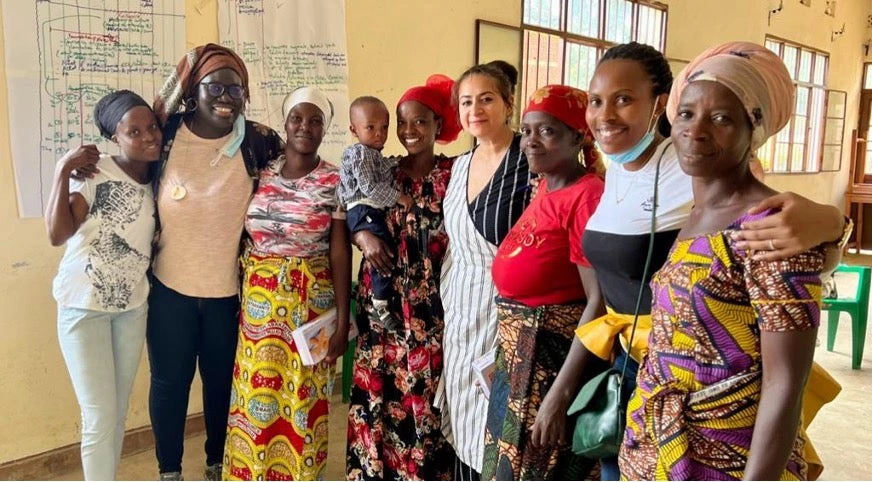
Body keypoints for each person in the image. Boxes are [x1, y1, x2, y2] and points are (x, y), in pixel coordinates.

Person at [576, 42, 848, 480]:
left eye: (721, 118)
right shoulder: (696, 215)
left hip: (724, 460)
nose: (696, 130)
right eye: (686, 114)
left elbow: (785, 383)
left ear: (753, 128)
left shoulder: (769, 227)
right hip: (656, 449)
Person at [149, 44, 284, 481]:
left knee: (222, 387)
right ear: (193, 89)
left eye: (236, 88)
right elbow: (137, 131)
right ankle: (169, 470)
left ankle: (216, 463)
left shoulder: (259, 141)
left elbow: (296, 180)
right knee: (169, 387)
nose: (226, 96)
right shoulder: (165, 134)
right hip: (170, 292)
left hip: (230, 296)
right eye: (215, 86)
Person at [221, 86, 351, 480]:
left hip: (310, 304)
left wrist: (344, 323)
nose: (305, 127)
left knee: (303, 397)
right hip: (259, 305)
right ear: (285, 122)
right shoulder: (262, 172)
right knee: (254, 393)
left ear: (324, 128)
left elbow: (340, 252)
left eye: (315, 121)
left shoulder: (335, 179)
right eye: (298, 118)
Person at [481, 85, 604, 480]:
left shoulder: (586, 196)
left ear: (577, 137)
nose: (531, 141)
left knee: (538, 469)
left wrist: (560, 395)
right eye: (527, 130)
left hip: (548, 367)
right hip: (519, 362)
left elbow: (598, 301)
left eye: (547, 131)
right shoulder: (548, 186)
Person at [346, 74, 461, 481]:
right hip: (383, 303)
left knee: (425, 395)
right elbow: (351, 204)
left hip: (431, 307)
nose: (410, 132)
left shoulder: (455, 175)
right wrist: (361, 234)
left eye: (421, 122)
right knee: (379, 389)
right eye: (403, 123)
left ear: (438, 127)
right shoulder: (384, 171)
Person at [46, 90, 161, 480]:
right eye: (134, 131)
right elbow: (58, 233)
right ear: (116, 137)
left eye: (152, 127)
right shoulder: (96, 174)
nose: (149, 137)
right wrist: (63, 169)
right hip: (83, 309)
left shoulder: (160, 177)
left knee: (116, 411)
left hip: (131, 309)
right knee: (98, 416)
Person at [439, 61, 531, 480]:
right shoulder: (459, 167)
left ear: (508, 104)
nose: (476, 109)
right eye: (466, 101)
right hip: (459, 310)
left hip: (506, 312)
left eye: (487, 99)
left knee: (495, 423)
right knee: (461, 414)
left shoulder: (528, 165)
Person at [339, 96, 412, 327]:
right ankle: (379, 303)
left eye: (384, 127)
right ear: (354, 129)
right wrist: (399, 197)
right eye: (371, 127)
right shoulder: (360, 153)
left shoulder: (372, 154)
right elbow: (370, 185)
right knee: (383, 251)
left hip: (365, 208)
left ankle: (380, 301)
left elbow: (383, 168)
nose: (379, 133)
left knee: (384, 250)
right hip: (363, 207)